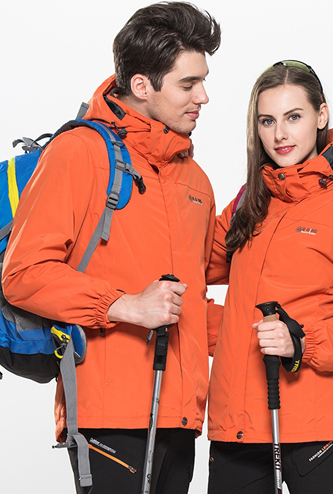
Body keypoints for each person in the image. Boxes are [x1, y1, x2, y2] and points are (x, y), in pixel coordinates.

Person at [2, 2, 221, 493]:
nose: (203, 96)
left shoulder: (195, 180)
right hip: (109, 416)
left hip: (183, 417)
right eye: (188, 84)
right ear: (142, 85)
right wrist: (125, 305)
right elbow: (23, 274)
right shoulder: (78, 152)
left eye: (203, 81)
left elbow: (191, 304)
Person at [206, 60, 333, 494]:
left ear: (321, 115)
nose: (280, 134)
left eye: (293, 117)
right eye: (267, 121)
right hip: (236, 431)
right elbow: (187, 265)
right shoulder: (248, 206)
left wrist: (303, 341)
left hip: (317, 432)